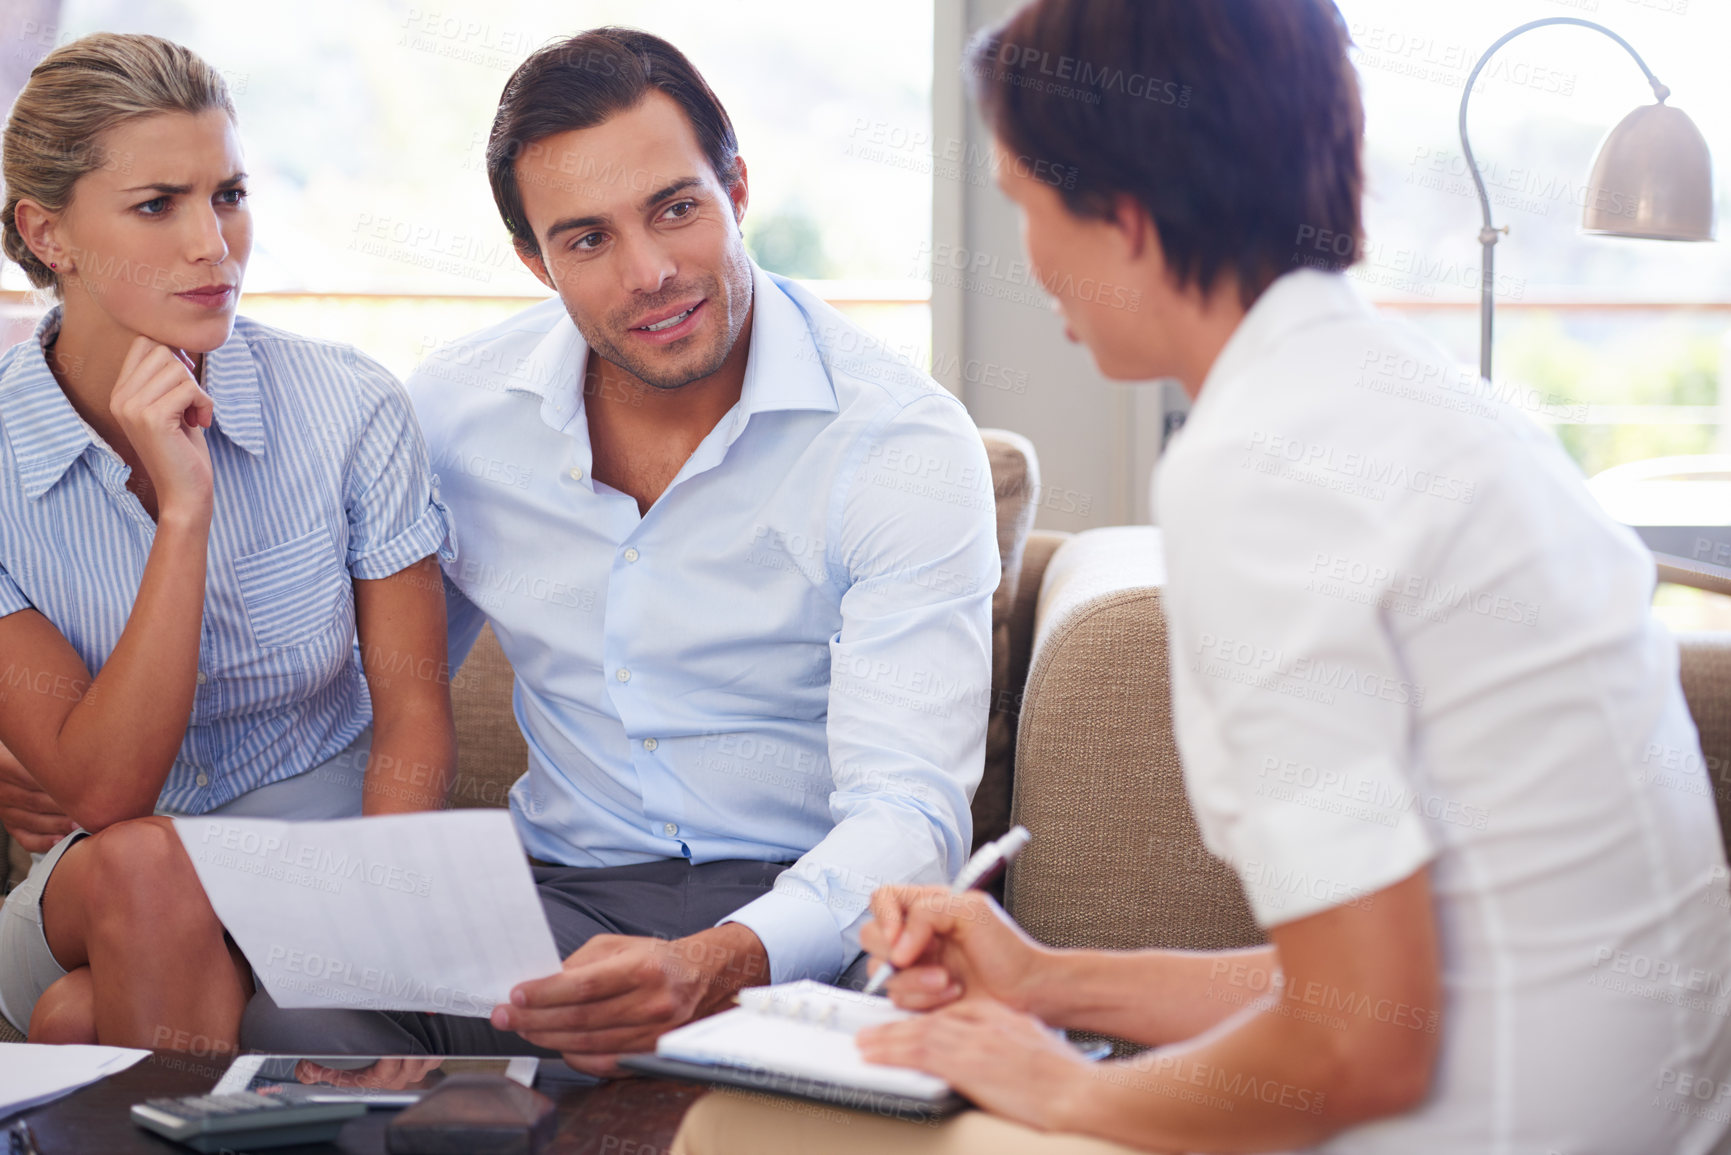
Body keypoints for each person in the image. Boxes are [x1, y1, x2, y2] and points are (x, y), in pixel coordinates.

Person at [672, 2, 1731, 1152]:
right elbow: (1386, 974)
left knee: (749, 1129)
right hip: (1628, 1112)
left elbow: (1359, 1046)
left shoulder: (1263, 469)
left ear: (1123, 219)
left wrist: (1060, 1088)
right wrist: (1043, 982)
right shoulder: (1426, 404)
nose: (1030, 262)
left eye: (1028, 207)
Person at [238, 27, 999, 1074]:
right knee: (292, 1029)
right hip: (556, 900)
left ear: (737, 186)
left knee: (840, 1070)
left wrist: (723, 959)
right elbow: (363, 682)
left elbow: (911, 808)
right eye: (588, 239)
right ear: (533, 261)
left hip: (806, 921)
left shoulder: (900, 445)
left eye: (676, 209)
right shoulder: (459, 414)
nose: (651, 274)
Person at [0, 33, 457, 1055]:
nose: (215, 243)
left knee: (76, 1022)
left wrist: (389, 930)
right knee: (146, 861)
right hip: (102, 884)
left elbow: (414, 714)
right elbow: (103, 792)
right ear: (48, 232)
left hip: (325, 878)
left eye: (230, 194)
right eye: (158, 204)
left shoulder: (348, 408)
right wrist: (183, 509)